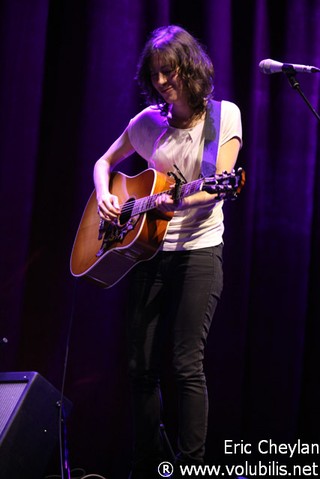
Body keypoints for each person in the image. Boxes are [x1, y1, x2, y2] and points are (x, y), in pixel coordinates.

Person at [93, 25, 242, 479]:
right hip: (149, 252)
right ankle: (152, 466)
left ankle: (191, 469)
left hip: (199, 251)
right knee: (139, 366)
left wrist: (177, 198)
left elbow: (219, 185)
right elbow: (104, 163)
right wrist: (106, 196)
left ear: (190, 68)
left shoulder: (223, 116)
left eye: (170, 70)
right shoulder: (147, 122)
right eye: (156, 73)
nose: (162, 81)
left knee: (185, 363)